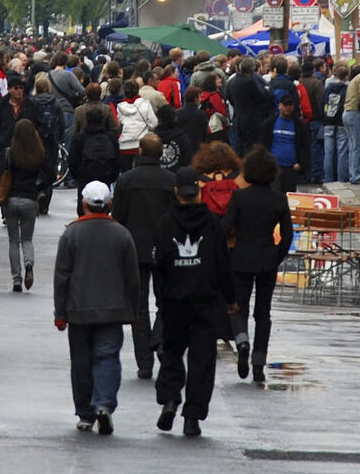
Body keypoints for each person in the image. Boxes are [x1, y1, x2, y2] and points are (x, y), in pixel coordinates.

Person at [152, 171, 233, 437]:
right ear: (198, 192)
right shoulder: (211, 224)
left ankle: (170, 398)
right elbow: (223, 264)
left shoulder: (165, 223)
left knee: (172, 351)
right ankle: (193, 416)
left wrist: (161, 298)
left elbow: (160, 264)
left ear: (176, 192)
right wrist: (230, 298)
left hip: (175, 299)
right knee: (202, 359)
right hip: (205, 299)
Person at [53, 180, 137, 435]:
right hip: (112, 310)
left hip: (79, 311)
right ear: (110, 205)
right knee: (107, 357)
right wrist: (132, 310)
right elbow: (132, 277)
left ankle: (85, 413)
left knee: (81, 361)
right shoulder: (122, 234)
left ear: (83, 204)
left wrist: (60, 314)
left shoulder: (71, 234)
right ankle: (103, 404)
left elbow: (62, 277)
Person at [111, 132, 177, 380]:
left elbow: (119, 217)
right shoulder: (171, 181)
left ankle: (144, 362)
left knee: (138, 308)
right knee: (166, 301)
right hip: (164, 250)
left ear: (140, 152)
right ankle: (159, 338)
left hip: (135, 249)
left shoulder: (127, 180)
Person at [222, 147, 291, 382]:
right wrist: (276, 255)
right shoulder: (279, 199)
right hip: (266, 258)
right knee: (263, 313)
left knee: (238, 307)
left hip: (240, 257)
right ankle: (259, 364)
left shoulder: (240, 197)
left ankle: (242, 341)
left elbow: (225, 228)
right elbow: (288, 235)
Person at [0, 120, 49, 292]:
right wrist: (36, 188)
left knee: (13, 240)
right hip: (30, 199)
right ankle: (29, 264)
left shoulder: (9, 153)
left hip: (11, 199)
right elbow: (49, 176)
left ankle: (16, 279)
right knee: (27, 238)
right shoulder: (38, 152)